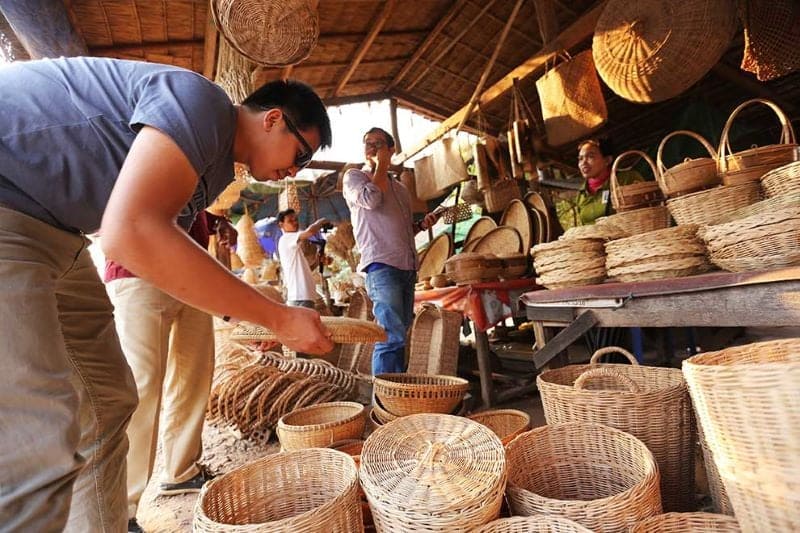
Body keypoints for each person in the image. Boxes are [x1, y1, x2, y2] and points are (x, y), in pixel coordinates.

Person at [0, 56, 334, 532]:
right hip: (10, 203)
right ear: (274, 119)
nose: (296, 171)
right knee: (37, 436)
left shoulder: (214, 169)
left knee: (109, 399)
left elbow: (169, 255)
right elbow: (131, 232)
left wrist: (253, 311)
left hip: (56, 230)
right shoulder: (202, 103)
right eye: (301, 155)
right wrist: (277, 318)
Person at [105, 212, 233, 533]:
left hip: (193, 275)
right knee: (143, 387)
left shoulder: (201, 170)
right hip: (139, 267)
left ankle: (181, 471)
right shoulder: (128, 158)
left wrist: (214, 222)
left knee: (194, 376)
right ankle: (121, 509)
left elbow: (184, 201)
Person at [343, 127, 438, 375]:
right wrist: (381, 165)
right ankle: (384, 403)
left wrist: (420, 226)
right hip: (381, 266)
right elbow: (371, 200)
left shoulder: (401, 190)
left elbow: (401, 230)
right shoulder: (355, 178)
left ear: (392, 148)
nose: (372, 147)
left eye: (379, 143)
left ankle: (396, 395)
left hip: (406, 267)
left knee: (400, 333)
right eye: (368, 143)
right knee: (389, 336)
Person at [556, 138, 642, 230]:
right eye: (580, 159)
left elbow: (644, 212)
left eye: (590, 156)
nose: (583, 163)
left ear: (607, 160)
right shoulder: (581, 194)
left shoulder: (626, 179)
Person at [276, 209, 329, 309]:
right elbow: (309, 232)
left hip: (303, 297)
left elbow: (307, 270)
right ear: (281, 225)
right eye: (290, 221)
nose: (295, 222)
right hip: (300, 297)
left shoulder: (293, 245)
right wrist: (321, 222)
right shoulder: (286, 239)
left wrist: (318, 261)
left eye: (296, 219)